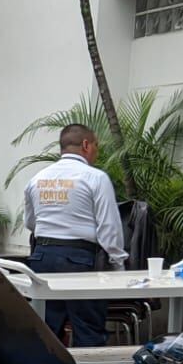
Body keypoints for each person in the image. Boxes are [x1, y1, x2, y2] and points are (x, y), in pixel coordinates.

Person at [22, 123, 127, 347]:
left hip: (42, 257)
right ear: (86, 145)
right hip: (79, 259)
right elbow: (109, 226)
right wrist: (118, 263)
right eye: (96, 146)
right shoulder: (95, 177)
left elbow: (30, 222)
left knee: (45, 327)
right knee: (87, 327)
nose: (97, 152)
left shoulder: (37, 178)